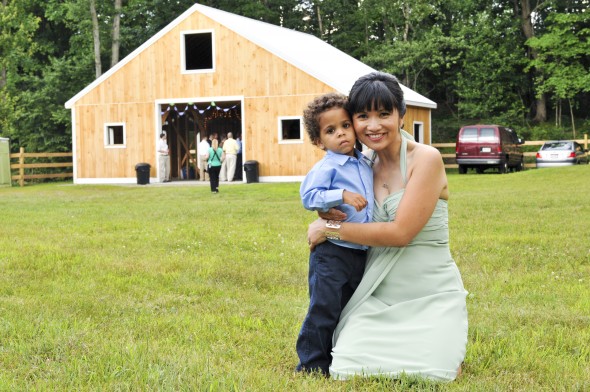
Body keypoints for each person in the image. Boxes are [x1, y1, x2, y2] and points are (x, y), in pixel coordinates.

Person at [307, 72, 468, 381]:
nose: (373, 125)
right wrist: (325, 212)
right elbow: (326, 198)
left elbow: (400, 233)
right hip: (377, 292)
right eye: (363, 116)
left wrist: (327, 228)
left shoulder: (426, 159)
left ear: (401, 116)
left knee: (434, 373)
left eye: (384, 114)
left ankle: (444, 337)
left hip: (428, 291)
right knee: (346, 369)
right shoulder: (362, 165)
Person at [296, 92, 374, 377]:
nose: (341, 134)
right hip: (332, 251)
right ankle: (311, 364)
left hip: (361, 251)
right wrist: (339, 195)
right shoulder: (327, 167)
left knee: (348, 307)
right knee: (325, 307)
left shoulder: (365, 163)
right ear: (319, 141)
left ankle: (339, 356)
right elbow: (309, 197)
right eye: (331, 131)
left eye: (345, 125)